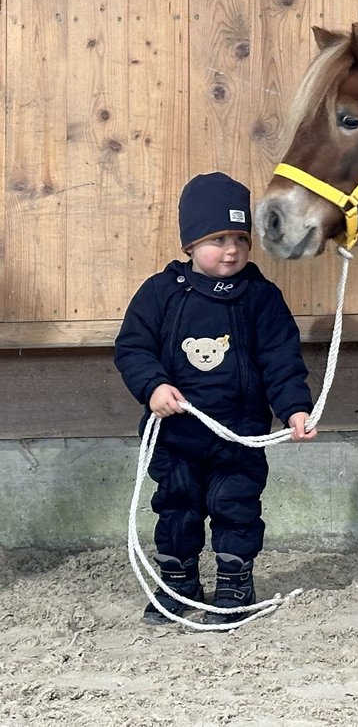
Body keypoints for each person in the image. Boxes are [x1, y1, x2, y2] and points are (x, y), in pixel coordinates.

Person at [115, 172, 317, 625]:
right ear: (189, 244)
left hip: (239, 432)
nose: (230, 250)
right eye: (217, 239)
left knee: (236, 507)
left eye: (240, 239)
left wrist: (295, 408)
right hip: (176, 432)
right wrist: (153, 388)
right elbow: (133, 348)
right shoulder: (160, 294)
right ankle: (178, 583)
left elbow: (281, 359)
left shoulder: (261, 298)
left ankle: (234, 583)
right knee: (177, 507)